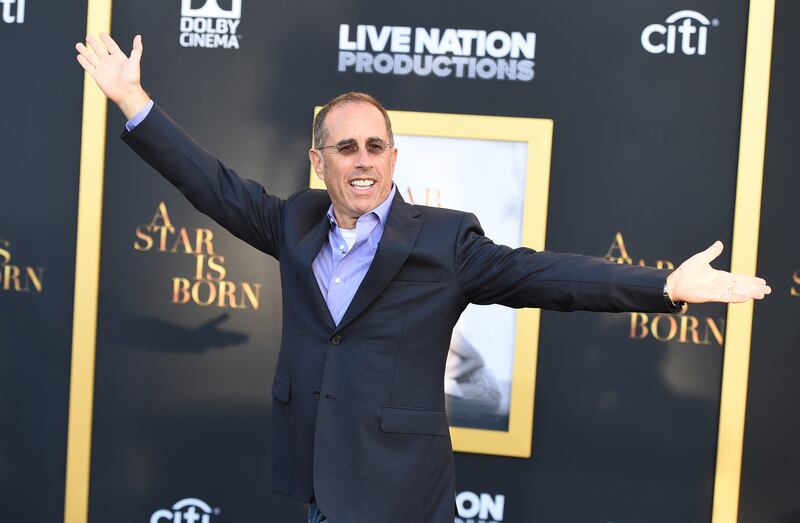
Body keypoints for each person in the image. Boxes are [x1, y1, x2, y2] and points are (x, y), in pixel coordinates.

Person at [75, 34, 771, 523]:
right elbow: (213, 186)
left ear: (394, 156)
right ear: (321, 160)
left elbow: (546, 275)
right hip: (321, 479)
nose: (363, 160)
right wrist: (135, 102)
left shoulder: (443, 239)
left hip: (401, 492)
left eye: (376, 145)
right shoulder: (293, 222)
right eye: (346, 146)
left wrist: (666, 287)